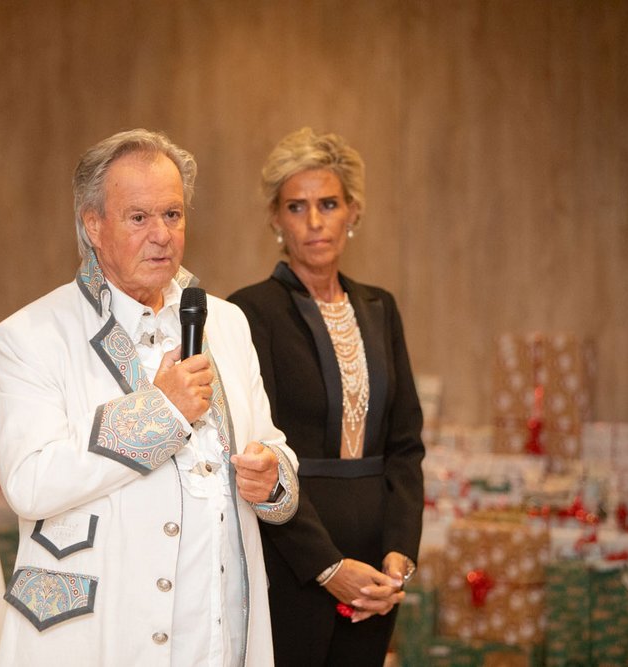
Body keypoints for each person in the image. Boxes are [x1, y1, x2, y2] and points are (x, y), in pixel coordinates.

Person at [0, 128, 299, 666]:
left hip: (218, 631)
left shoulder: (225, 322)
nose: (162, 236)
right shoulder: (31, 335)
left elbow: (274, 445)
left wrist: (273, 478)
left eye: (173, 215)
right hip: (101, 636)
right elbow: (29, 483)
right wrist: (162, 411)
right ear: (94, 225)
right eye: (139, 218)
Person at [228, 128, 425, 666]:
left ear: (353, 211)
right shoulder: (247, 313)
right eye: (297, 206)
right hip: (292, 556)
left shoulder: (380, 307)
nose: (314, 222)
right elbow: (253, 458)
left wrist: (399, 556)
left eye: (329, 204)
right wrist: (327, 568)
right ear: (275, 218)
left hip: (378, 563)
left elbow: (406, 446)